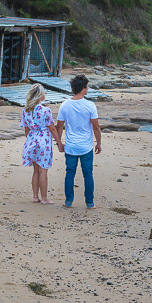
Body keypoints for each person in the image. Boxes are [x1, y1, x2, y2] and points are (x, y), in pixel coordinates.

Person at [52, 75, 101, 208]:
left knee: (70, 173)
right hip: (86, 146)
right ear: (83, 88)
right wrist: (98, 143)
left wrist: (59, 143)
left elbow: (59, 126)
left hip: (71, 146)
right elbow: (96, 126)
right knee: (88, 174)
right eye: (87, 86)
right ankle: (89, 202)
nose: (88, 88)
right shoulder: (90, 105)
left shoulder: (65, 105)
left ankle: (68, 201)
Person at [18, 86, 55, 204]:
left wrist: (30, 141)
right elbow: (52, 128)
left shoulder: (26, 110)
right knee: (43, 171)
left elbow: (26, 130)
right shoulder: (46, 110)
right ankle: (44, 198)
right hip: (44, 141)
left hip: (31, 140)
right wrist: (59, 142)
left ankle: (35, 196)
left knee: (35, 171)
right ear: (41, 96)